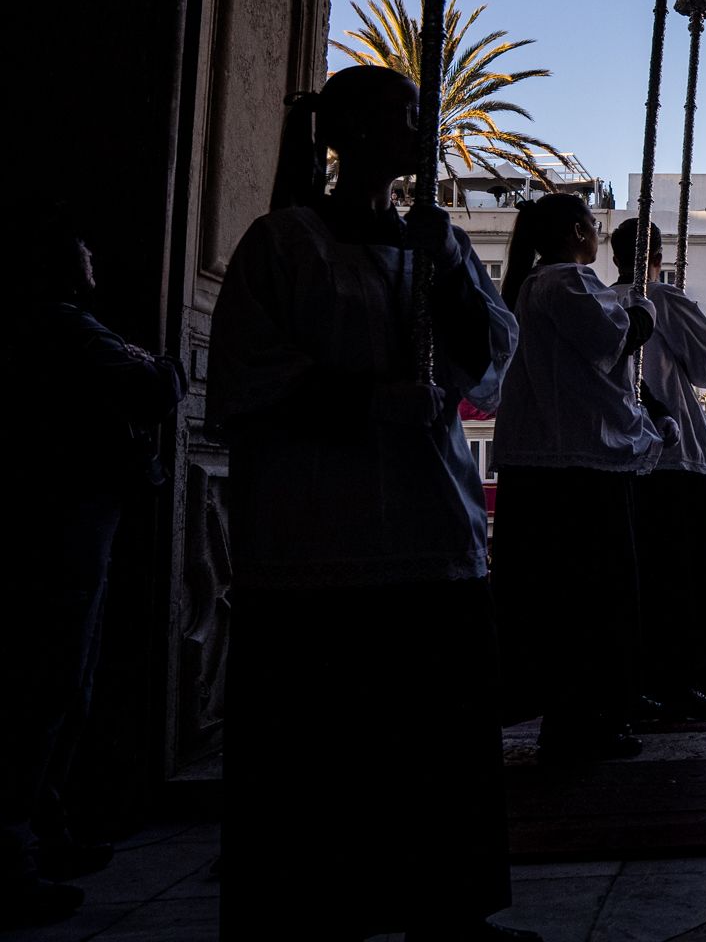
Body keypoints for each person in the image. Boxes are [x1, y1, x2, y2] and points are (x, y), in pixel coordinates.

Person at [207, 64, 528, 940]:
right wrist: (360, 397)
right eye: (396, 115)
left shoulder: (441, 242)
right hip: (322, 531)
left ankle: (448, 909)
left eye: (419, 117)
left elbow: (488, 364)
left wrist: (446, 272)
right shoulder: (284, 244)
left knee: (434, 739)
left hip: (428, 518)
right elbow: (246, 376)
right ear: (339, 134)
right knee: (325, 747)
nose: (413, 132)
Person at [1, 214, 186, 928]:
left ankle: (42, 836)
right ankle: (18, 853)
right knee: (49, 682)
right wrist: (164, 365)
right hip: (67, 524)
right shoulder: (70, 330)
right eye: (82, 252)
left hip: (63, 519)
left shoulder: (48, 329)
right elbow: (154, 389)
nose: (93, 261)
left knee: (55, 683)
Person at [494, 194, 668, 760]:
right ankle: (585, 717)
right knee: (591, 596)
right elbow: (607, 342)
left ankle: (577, 713)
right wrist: (641, 313)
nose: (598, 233)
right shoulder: (565, 283)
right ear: (576, 233)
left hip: (553, 459)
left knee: (565, 598)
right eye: (595, 225)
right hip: (574, 462)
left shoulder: (533, 286)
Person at [610, 218, 706, 722]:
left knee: (641, 576)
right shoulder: (663, 300)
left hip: (621, 453)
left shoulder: (600, 300)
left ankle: (641, 683)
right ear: (661, 254)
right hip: (676, 453)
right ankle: (682, 683)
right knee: (683, 575)